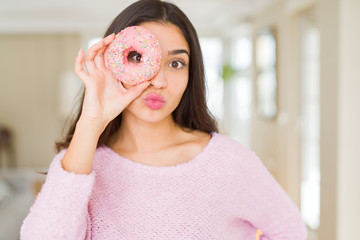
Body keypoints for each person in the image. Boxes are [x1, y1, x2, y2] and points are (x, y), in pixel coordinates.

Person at [20, 0, 307, 239]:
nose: (158, 80)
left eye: (176, 63)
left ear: (190, 74)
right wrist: (91, 122)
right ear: (112, 63)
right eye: (137, 57)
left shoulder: (227, 161)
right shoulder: (78, 166)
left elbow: (289, 230)